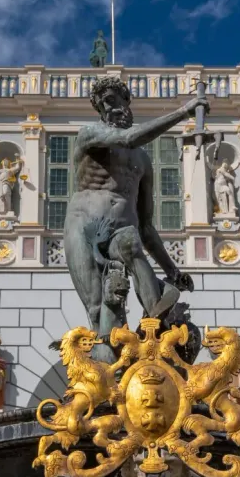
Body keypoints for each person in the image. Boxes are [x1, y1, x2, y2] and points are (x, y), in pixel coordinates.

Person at [63, 77, 207, 361]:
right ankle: (105, 377)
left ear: (127, 102)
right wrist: (183, 112)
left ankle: (156, 319)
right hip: (84, 227)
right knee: (100, 308)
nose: (111, 106)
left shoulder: (142, 161)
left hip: (121, 229)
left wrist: (172, 269)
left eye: (115, 99)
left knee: (131, 242)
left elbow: (146, 226)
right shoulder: (90, 133)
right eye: (104, 102)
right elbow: (129, 137)